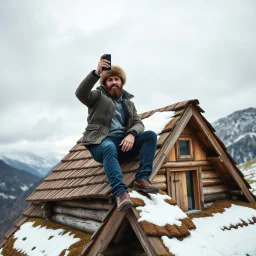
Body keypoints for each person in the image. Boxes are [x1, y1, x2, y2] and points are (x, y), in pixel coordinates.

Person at [75, 54, 159, 212]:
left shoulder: (128, 103)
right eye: (109, 79)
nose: (113, 82)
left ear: (121, 82)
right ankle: (120, 193)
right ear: (105, 83)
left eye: (117, 79)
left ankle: (142, 178)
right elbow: (80, 93)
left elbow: (138, 123)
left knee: (150, 135)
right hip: (101, 143)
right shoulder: (97, 96)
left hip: (123, 143)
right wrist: (96, 73)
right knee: (108, 147)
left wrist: (131, 134)